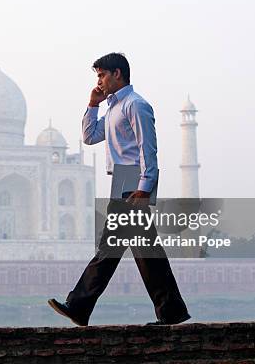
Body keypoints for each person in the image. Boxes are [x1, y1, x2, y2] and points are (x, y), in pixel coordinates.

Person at [48, 52, 190, 326]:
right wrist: (92, 105)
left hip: (134, 182)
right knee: (139, 252)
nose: (99, 81)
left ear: (117, 73)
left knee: (114, 250)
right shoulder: (113, 108)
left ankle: (79, 306)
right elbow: (89, 137)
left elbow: (147, 148)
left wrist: (145, 187)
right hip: (123, 181)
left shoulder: (136, 105)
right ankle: (171, 311)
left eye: (101, 75)